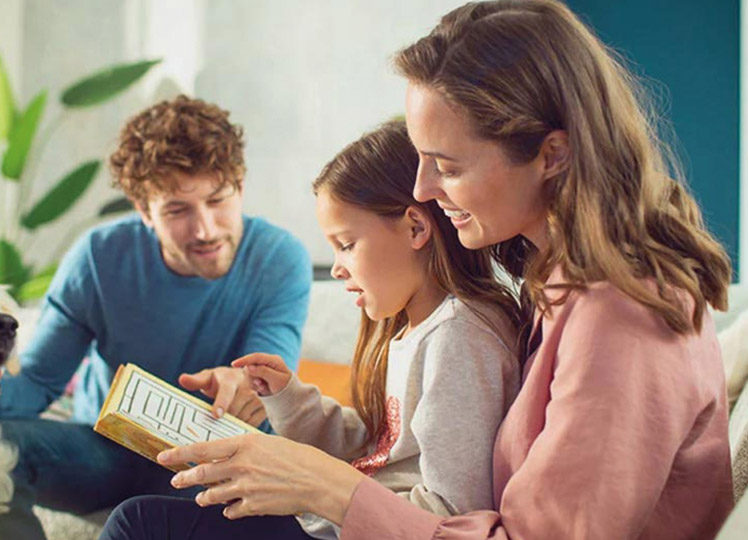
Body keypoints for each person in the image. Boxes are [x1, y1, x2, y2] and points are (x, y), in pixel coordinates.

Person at [102, 1, 735, 539]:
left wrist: (326, 488)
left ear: (552, 154)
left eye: (447, 165)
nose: (423, 190)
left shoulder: (623, 314)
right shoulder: (561, 288)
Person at [102, 119, 523, 540]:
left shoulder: (458, 338)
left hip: (355, 528)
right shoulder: (417, 332)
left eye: (346, 244)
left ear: (415, 227)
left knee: (139, 523)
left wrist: (312, 498)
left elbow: (451, 514)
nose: (338, 268)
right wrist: (289, 399)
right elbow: (378, 450)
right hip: (341, 521)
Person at [0, 95, 312, 539]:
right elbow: (36, 384)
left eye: (218, 200)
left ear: (240, 186)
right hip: (102, 452)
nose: (205, 229)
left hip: (210, 458)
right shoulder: (98, 258)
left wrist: (250, 384)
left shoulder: (279, 259)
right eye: (177, 210)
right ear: (143, 210)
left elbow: (269, 369)